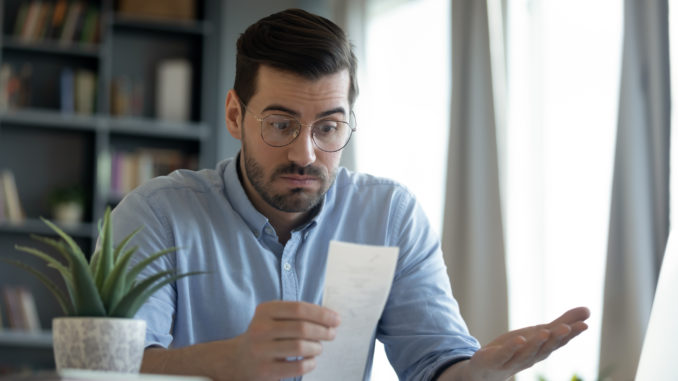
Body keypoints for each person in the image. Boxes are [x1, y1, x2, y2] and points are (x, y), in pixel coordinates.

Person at [110, 8, 590, 381]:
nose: (305, 153)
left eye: (329, 127)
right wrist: (227, 360)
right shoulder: (157, 215)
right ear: (235, 115)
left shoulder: (388, 216)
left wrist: (480, 372)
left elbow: (435, 363)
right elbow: (109, 365)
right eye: (281, 125)